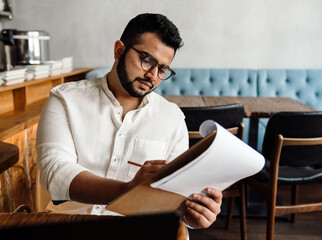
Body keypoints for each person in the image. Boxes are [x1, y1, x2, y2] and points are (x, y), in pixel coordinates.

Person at [36, 13, 222, 229]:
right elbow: (55, 172)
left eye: (162, 69)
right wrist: (127, 191)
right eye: (147, 60)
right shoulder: (65, 100)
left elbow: (175, 197)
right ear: (119, 51)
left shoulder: (172, 118)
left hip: (141, 230)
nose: (153, 75)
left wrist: (191, 214)